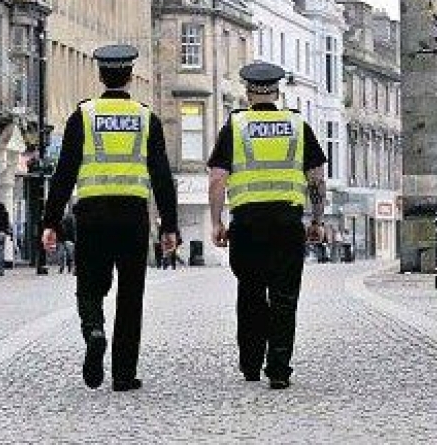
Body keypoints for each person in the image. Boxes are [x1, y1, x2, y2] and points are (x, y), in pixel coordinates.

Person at [41, 44, 178, 392]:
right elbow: (161, 176)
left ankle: (94, 331)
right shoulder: (147, 118)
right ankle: (123, 374)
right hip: (133, 217)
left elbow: (64, 174)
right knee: (131, 296)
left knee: (90, 285)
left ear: (101, 75)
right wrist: (170, 226)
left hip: (92, 216)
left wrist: (51, 222)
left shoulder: (83, 117)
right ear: (130, 76)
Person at [207, 61, 327, 390]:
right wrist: (316, 220)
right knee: (285, 297)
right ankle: (278, 367)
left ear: (248, 93)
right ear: (277, 91)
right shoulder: (298, 125)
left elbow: (218, 179)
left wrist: (217, 221)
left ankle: (250, 363)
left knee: (250, 293)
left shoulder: (235, 126)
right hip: (287, 223)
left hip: (246, 224)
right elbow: (316, 178)